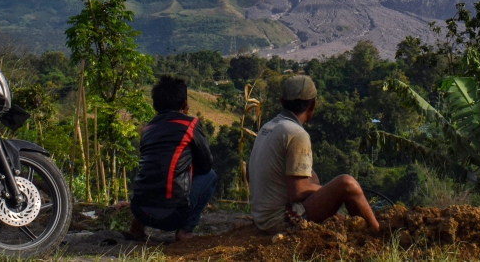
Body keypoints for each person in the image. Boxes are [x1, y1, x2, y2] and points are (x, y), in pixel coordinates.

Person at [248, 75, 380, 233]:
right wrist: (334, 192)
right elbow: (297, 192)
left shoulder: (269, 126)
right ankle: (377, 233)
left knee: (312, 175)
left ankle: (353, 226)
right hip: (279, 220)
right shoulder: (296, 134)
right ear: (313, 104)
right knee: (347, 184)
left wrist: (326, 195)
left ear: (282, 101)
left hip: (261, 217)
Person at [128, 75, 217, 242]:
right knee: (211, 176)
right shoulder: (190, 125)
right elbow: (206, 165)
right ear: (184, 104)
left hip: (139, 209)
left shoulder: (147, 128)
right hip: (172, 215)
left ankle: (137, 224)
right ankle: (185, 230)